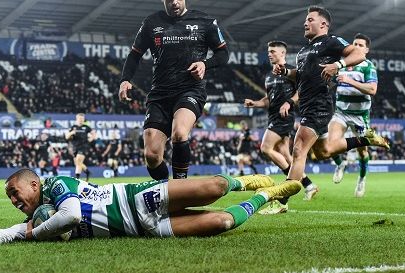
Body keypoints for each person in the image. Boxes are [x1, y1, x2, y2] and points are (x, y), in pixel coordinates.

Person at [0, 169, 301, 247]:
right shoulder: (35, 217)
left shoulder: (57, 186)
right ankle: (266, 197)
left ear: (34, 184)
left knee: (216, 187)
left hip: (136, 199)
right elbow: (9, 234)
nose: (16, 202)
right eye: (11, 200)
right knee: (222, 222)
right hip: (141, 228)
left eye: (17, 193)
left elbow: (72, 216)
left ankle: (247, 182)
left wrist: (35, 231)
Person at [272, 6, 389, 200]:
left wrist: (338, 64)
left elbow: (358, 55)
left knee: (299, 149)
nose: (305, 23)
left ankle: (283, 201)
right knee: (324, 151)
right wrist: (285, 72)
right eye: (306, 20)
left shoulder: (331, 41)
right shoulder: (303, 51)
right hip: (311, 104)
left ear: (323, 24)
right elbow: (301, 77)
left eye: (310, 20)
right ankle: (364, 140)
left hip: (322, 104)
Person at [119, 0, 229, 180]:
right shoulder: (151, 23)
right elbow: (134, 55)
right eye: (170, 0)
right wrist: (125, 80)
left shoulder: (205, 21)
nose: (175, 2)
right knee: (152, 156)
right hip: (160, 94)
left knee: (179, 133)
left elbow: (223, 53)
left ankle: (180, 185)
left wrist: (205, 64)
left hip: (190, 89)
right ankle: (166, 191)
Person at [244, 41, 314, 212]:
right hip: (273, 115)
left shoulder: (292, 71)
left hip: (284, 116)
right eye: (269, 51)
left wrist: (289, 103)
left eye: (273, 51)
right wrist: (255, 103)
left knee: (266, 148)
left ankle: (289, 184)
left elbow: (301, 91)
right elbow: (268, 99)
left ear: (282, 53)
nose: (270, 54)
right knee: (284, 153)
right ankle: (308, 185)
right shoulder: (269, 76)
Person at [329, 33, 378, 198]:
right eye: (354, 44)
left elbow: (372, 90)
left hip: (359, 116)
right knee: (330, 145)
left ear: (367, 50)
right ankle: (340, 163)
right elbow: (332, 82)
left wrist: (350, 82)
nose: (356, 47)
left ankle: (362, 178)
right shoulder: (342, 64)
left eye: (360, 45)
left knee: (362, 152)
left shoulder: (368, 66)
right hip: (341, 112)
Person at [65, 113, 94, 181]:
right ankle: (87, 172)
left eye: (82, 119)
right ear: (77, 119)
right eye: (79, 119)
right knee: (77, 163)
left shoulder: (86, 127)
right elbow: (67, 136)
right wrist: (71, 133)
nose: (81, 120)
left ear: (84, 119)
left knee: (78, 160)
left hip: (84, 146)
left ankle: (77, 179)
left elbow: (94, 133)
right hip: (75, 147)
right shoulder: (73, 127)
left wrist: (91, 138)